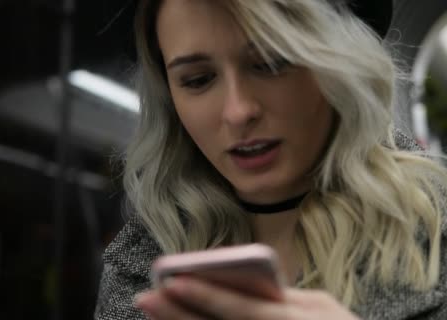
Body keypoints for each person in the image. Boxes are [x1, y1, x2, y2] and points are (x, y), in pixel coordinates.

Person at [95, 0, 447, 319]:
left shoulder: (436, 231)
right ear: (168, 95)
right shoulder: (136, 268)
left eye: (270, 63)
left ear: (340, 64)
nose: (238, 111)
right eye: (198, 80)